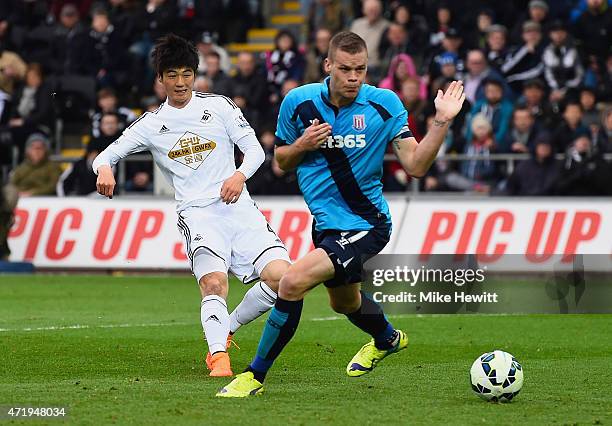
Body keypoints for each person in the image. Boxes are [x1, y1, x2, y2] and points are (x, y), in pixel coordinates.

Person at [217, 31, 465, 397]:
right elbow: (282, 161)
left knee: (291, 281)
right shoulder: (298, 102)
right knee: (344, 303)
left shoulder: (384, 105)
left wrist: (441, 122)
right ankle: (387, 338)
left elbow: (415, 165)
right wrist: (303, 144)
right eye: (346, 69)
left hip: (367, 225)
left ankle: (254, 376)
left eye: (361, 69)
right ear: (328, 65)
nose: (354, 77)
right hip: (327, 226)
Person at [92, 34, 291, 377]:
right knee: (214, 284)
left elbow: (257, 150)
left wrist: (240, 176)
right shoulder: (151, 125)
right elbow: (104, 156)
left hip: (239, 207)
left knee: (284, 280)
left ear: (196, 75)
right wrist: (106, 168)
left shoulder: (220, 106)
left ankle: (226, 328)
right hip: (198, 214)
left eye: (187, 73)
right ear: (160, 79)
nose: (181, 82)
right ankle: (218, 357)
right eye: (172, 74)